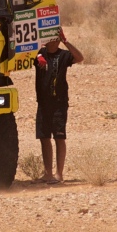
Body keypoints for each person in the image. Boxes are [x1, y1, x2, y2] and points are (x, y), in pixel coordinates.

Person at [33, 26, 84, 184]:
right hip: (43, 102)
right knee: (44, 137)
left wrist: (66, 42)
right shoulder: (40, 54)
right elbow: (22, 56)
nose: (52, 40)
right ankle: (47, 173)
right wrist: (37, 52)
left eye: (55, 37)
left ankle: (59, 174)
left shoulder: (64, 55)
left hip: (59, 103)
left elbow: (80, 58)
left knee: (59, 137)